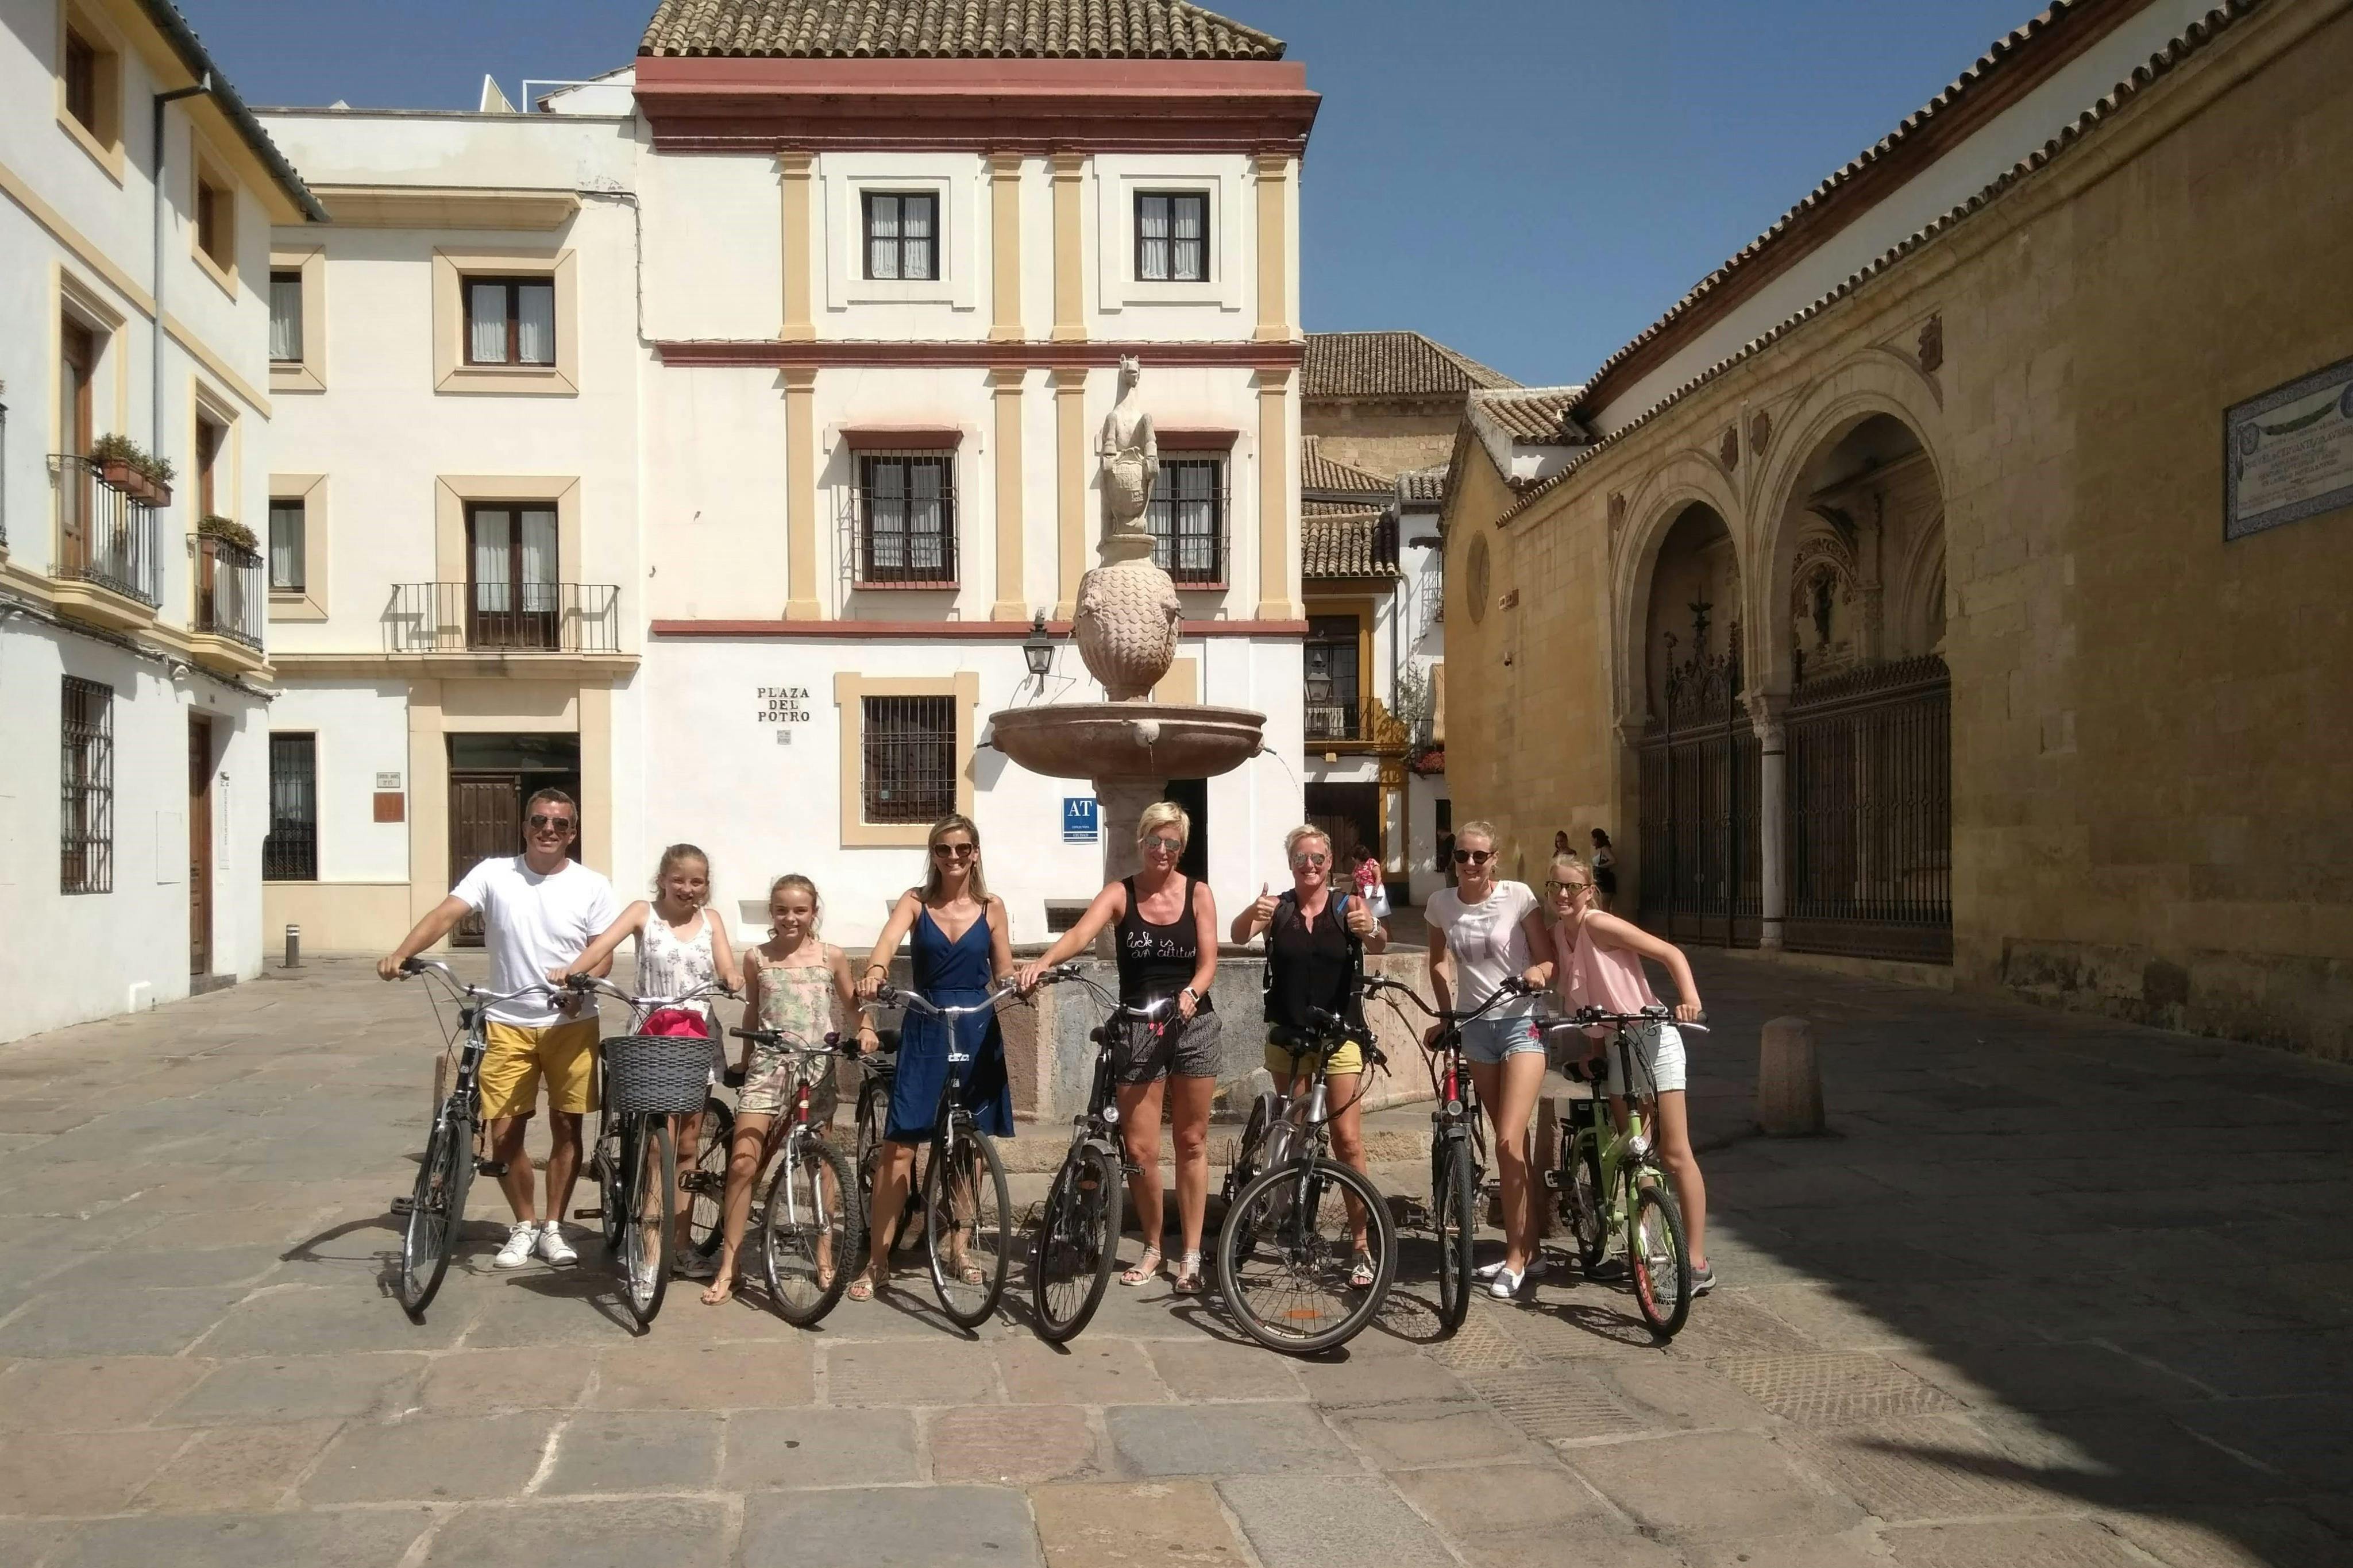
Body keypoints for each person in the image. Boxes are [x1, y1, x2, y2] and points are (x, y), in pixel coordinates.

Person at [379, 788, 619, 1270]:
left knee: (567, 1126)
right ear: (525, 826)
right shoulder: (494, 873)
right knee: (505, 1132)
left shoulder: (592, 885)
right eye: (540, 821)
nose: (549, 830)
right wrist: (403, 952)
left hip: (571, 1022)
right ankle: (524, 1223)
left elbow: (603, 953)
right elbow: (446, 914)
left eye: (561, 824)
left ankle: (554, 1226)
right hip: (508, 1021)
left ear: (573, 833)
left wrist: (579, 986)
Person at [1018, 801, 1221, 1294]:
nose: (1163, 851)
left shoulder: (1198, 893)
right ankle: (1152, 1246)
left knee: (1192, 1141)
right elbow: (1079, 934)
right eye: (1156, 841)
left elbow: (1209, 961)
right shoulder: (1120, 893)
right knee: (1141, 1149)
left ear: (1182, 847)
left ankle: (1191, 1254)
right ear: (1142, 840)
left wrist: (1192, 993)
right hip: (1137, 1027)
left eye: (1173, 843)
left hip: (1193, 1024)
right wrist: (1043, 963)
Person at [1528, 852, 1712, 1294]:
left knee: (1675, 1152)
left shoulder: (1599, 924)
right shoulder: (1558, 934)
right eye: (1556, 886)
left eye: (1573, 887)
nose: (1564, 894)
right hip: (1614, 1043)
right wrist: (1593, 1049)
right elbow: (1588, 998)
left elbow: (1670, 953)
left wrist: (1690, 999)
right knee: (1635, 1150)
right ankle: (1644, 1247)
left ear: (1589, 891)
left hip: (1652, 1037)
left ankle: (1697, 1261)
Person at [558, 844, 740, 1277]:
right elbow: (603, 945)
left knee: (689, 1144)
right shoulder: (644, 913)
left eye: (697, 882)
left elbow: (726, 965)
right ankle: (651, 1244)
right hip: (653, 1031)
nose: (687, 889)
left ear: (706, 886)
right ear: (662, 880)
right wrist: (573, 971)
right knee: (659, 1145)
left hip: (696, 1034)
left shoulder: (712, 920)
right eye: (679, 880)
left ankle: (682, 1245)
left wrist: (732, 978)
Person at [855, 814, 1016, 1301]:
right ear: (934, 854)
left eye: (963, 848)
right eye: (944, 849)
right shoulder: (916, 901)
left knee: (968, 1144)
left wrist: (1020, 981)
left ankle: (959, 1248)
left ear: (976, 853)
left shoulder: (992, 907)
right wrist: (876, 971)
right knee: (901, 1144)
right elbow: (886, 943)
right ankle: (878, 1260)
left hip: (975, 1022)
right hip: (926, 1021)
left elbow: (1003, 968)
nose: (954, 857)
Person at [1230, 825, 1387, 1286]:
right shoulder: (1278, 908)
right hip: (1289, 1037)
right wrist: (1253, 911)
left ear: (1330, 861)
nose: (1310, 866)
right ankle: (1300, 1227)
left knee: (1347, 1141)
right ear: (1291, 863)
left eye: (1318, 858)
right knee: (1297, 1134)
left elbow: (1380, 940)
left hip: (1341, 1037)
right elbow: (1238, 935)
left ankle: (1361, 1244)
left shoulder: (1348, 905)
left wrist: (1372, 926)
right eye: (1301, 858)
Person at [701, 874, 868, 1306]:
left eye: (800, 910)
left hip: (816, 1065)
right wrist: (744, 1060)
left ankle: (825, 1256)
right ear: (772, 913)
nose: (790, 918)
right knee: (744, 1162)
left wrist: (866, 1029)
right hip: (769, 1066)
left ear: (813, 912)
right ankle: (729, 1266)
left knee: (820, 1165)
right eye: (782, 910)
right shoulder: (757, 958)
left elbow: (851, 1003)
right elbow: (753, 1011)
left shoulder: (831, 955)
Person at [1422, 819, 1553, 1299]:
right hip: (1476, 1029)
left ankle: (1515, 1257)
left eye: (1480, 855)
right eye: (1462, 855)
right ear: (1453, 859)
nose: (1471, 863)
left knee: (1506, 1139)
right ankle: (1531, 1250)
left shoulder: (1518, 896)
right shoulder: (1441, 904)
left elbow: (1548, 958)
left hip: (1522, 1023)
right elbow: (1438, 960)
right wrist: (1447, 1014)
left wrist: (1538, 973)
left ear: (1495, 858)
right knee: (1511, 1146)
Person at [1589, 829, 1618, 909]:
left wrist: (1600, 866)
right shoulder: (1599, 850)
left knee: (1605, 907)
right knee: (1600, 906)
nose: (1591, 840)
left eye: (1592, 838)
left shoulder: (1605, 849)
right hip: (1599, 880)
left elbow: (1613, 860)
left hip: (1605, 881)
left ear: (1596, 839)